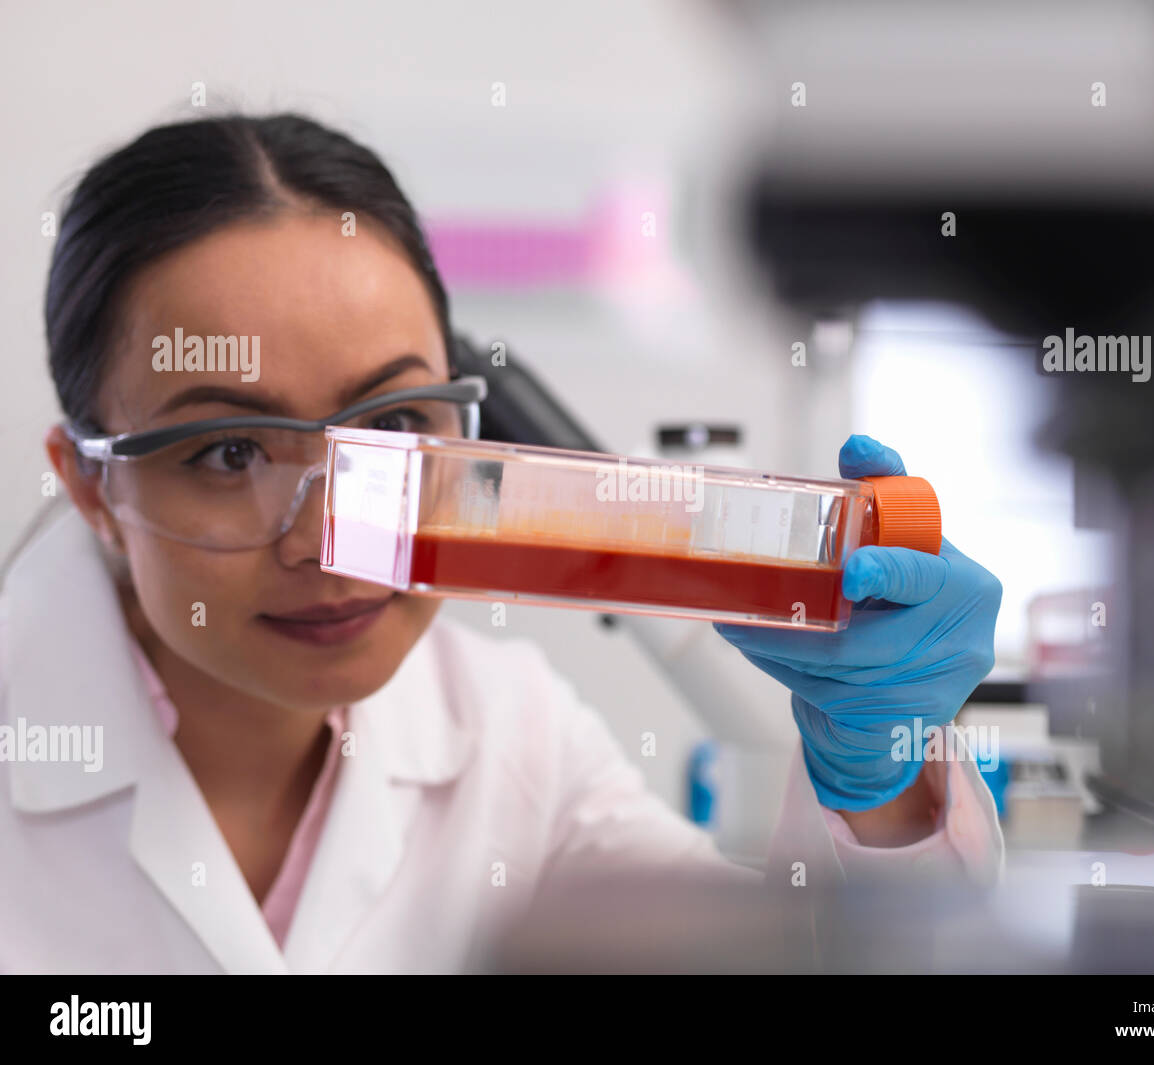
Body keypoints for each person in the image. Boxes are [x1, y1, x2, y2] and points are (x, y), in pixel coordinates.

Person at [0, 113, 1004, 973]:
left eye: (393, 433)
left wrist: (880, 788)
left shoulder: (508, 734)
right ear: (90, 482)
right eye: (226, 452)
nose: (331, 543)